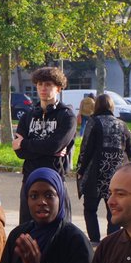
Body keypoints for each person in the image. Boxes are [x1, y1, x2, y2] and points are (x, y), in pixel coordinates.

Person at [13, 67, 76, 224]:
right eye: (40, 84)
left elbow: (54, 145)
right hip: (29, 179)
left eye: (48, 84)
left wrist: (26, 144)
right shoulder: (27, 116)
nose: (43, 88)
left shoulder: (67, 116)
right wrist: (45, 148)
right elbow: (19, 152)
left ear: (58, 88)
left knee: (59, 228)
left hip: (54, 179)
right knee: (27, 229)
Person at [76, 93, 131, 244]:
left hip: (96, 173)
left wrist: (80, 169)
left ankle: (94, 239)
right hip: (117, 175)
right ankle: (112, 240)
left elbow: (86, 148)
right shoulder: (122, 124)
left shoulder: (94, 122)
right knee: (114, 209)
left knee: (90, 208)